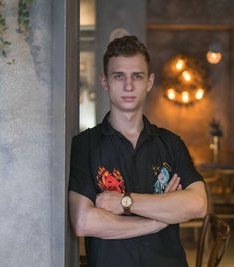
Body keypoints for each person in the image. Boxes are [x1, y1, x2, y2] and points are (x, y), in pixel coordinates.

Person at [69, 35, 207, 267]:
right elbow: (83, 222)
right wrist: (157, 220)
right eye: (119, 76)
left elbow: (198, 205)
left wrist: (125, 202)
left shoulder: (171, 143)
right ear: (104, 81)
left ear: (149, 82)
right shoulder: (85, 145)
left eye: (137, 76)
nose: (129, 86)